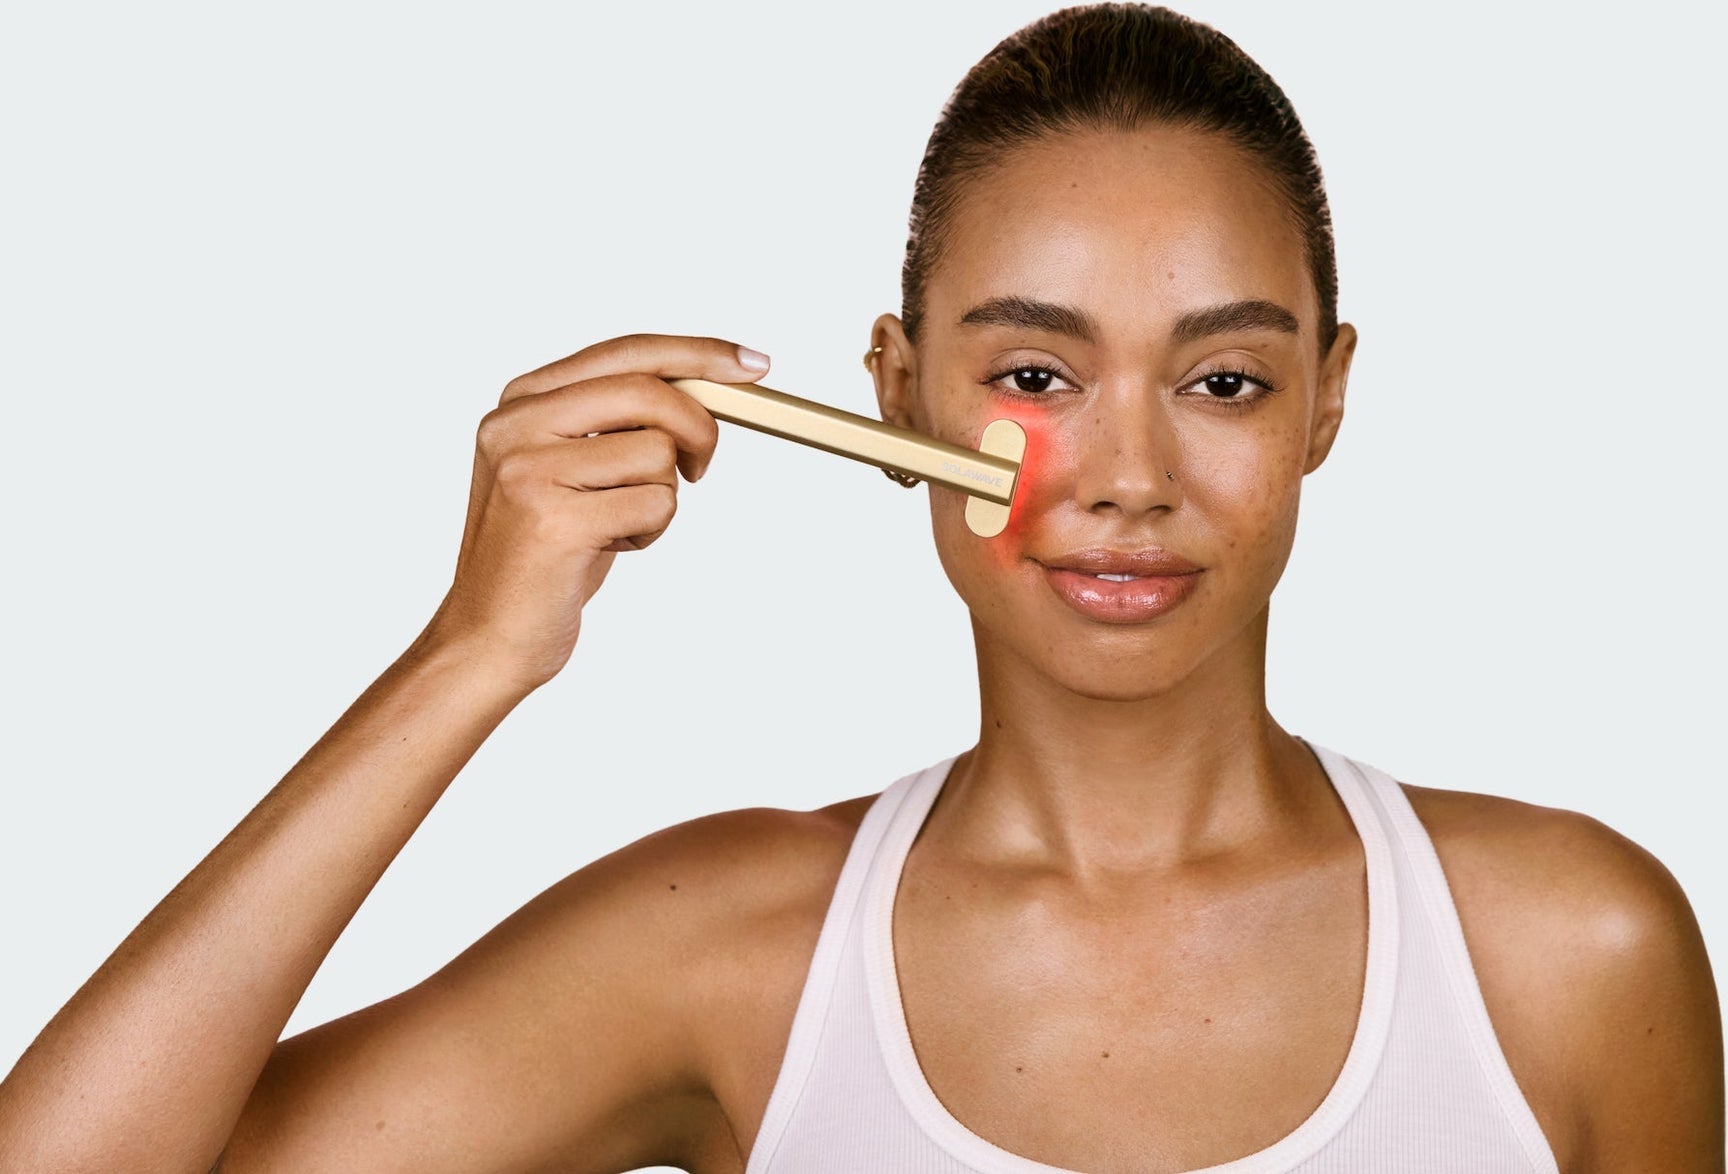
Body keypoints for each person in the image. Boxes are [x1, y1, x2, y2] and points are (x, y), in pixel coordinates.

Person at [0, 4, 1720, 1171]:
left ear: (1329, 397)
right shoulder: (727, 947)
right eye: (1035, 376)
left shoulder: (1572, 953)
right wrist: (473, 651)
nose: (1126, 477)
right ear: (896, 395)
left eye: (1224, 381)